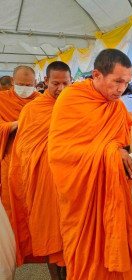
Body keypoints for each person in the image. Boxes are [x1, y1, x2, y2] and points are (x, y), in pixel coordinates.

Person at [48, 49, 132, 279]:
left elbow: (127, 140)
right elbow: (60, 153)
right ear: (97, 75)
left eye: (127, 82)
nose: (122, 88)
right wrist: (109, 152)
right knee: (85, 259)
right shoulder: (72, 99)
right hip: (82, 197)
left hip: (111, 191)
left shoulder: (117, 106)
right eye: (117, 81)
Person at [8, 61, 72, 279]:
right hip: (43, 182)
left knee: (72, 234)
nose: (61, 88)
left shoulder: (77, 107)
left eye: (65, 83)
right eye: (55, 83)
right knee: (48, 232)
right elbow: (24, 149)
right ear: (45, 82)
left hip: (73, 183)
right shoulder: (32, 109)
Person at [0, 66, 40, 222]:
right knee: (10, 203)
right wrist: (15, 124)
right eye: (21, 85)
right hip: (9, 159)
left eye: (29, 85)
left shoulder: (40, 101)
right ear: (12, 81)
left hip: (35, 161)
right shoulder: (2, 100)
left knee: (33, 206)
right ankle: (14, 243)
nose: (25, 89)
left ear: (35, 82)